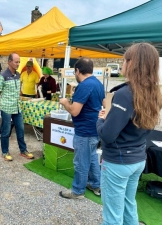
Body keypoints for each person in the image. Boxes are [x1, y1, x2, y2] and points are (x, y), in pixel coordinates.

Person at [97, 43, 162, 225]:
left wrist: (101, 120)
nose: (122, 64)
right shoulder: (154, 92)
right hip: (138, 159)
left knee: (112, 217)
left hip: (118, 162)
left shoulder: (126, 93)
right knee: (128, 204)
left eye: (124, 60)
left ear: (132, 63)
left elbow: (107, 135)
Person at [59, 57, 104, 199]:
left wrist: (65, 102)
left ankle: (78, 191)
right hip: (94, 128)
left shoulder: (84, 86)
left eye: (75, 72)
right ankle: (96, 184)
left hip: (85, 130)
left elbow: (74, 111)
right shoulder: (98, 83)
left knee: (80, 162)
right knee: (91, 158)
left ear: (77, 71)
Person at [0, 53, 34, 161]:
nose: (18, 64)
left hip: (17, 108)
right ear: (9, 62)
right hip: (6, 108)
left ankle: (23, 150)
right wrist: (1, 104)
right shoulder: (2, 76)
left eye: (19, 62)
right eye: (16, 62)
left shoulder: (18, 75)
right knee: (6, 132)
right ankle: (4, 152)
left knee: (20, 130)